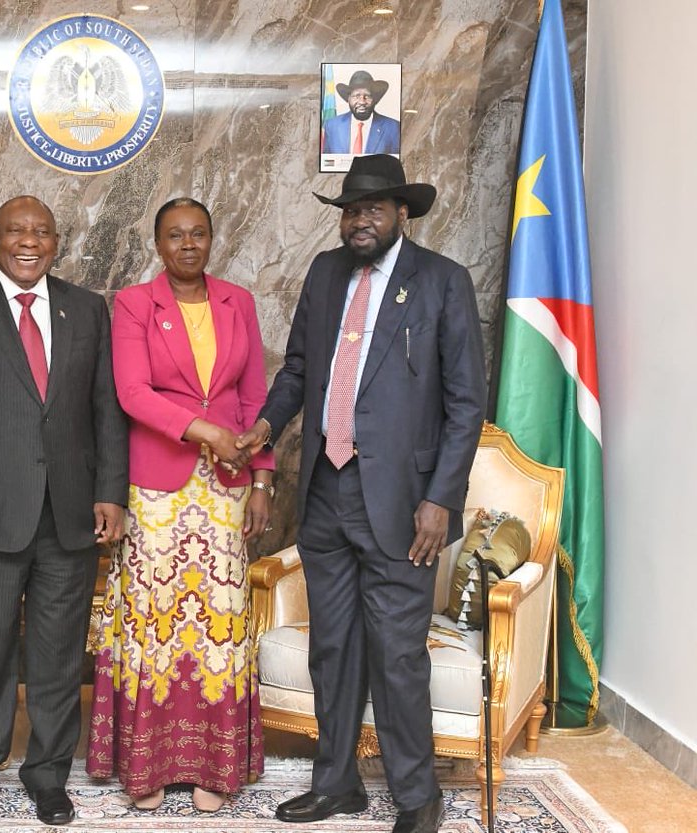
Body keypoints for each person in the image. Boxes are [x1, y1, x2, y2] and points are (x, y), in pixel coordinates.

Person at [237, 154, 486, 833]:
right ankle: (336, 783)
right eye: (350, 210)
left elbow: (467, 404)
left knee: (399, 655)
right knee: (333, 648)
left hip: (407, 508)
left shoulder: (441, 282)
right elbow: (299, 370)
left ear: (402, 212)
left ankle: (416, 794)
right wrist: (263, 425)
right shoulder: (324, 274)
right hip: (326, 495)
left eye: (373, 208)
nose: (359, 221)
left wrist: (440, 499)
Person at [0, 196, 129, 831]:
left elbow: (107, 411)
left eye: (41, 232)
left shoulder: (87, 308)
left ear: (57, 242)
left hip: (68, 516)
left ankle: (48, 777)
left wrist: (111, 492)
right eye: (16, 230)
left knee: (58, 658)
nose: (28, 241)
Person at [86, 198, 273, 813]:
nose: (187, 244)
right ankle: (149, 768)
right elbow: (132, 392)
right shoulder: (135, 304)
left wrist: (264, 480)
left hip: (228, 487)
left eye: (197, 234)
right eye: (174, 235)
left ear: (212, 240)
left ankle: (212, 770)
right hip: (157, 489)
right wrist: (204, 431)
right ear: (158, 244)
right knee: (154, 624)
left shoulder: (237, 302)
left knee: (218, 625)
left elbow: (253, 399)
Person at [321, 70, 400, 156]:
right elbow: (327, 164)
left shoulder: (393, 128)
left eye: (367, 96)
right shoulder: (332, 126)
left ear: (375, 99)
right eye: (357, 96)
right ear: (348, 98)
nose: (362, 102)